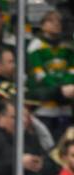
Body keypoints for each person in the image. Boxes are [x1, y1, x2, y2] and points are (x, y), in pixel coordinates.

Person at [27, 10, 74, 138]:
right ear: (43, 25)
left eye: (58, 21)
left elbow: (72, 69)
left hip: (66, 106)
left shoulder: (68, 45)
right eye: (51, 20)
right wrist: (59, 89)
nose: (56, 24)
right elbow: (39, 73)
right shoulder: (35, 46)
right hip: (44, 107)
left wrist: (66, 86)